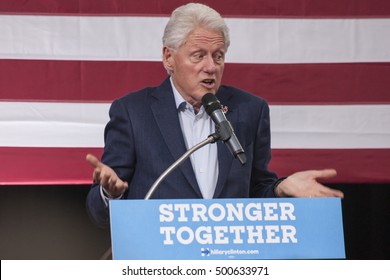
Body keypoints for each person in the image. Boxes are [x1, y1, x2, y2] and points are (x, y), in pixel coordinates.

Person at [86, 3, 344, 228]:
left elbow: (256, 191)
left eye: (218, 56)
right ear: (169, 57)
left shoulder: (250, 110)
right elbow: (97, 213)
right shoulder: (133, 112)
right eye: (198, 56)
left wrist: (280, 188)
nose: (210, 67)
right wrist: (111, 194)